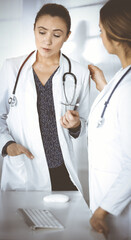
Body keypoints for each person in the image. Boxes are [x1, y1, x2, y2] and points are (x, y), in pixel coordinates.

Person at [0, 3, 90, 191]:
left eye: (56, 35)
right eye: (42, 32)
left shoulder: (79, 72)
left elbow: (85, 122)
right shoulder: (12, 68)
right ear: (33, 30)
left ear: (67, 36)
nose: (47, 41)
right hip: (24, 168)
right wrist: (7, 145)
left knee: (70, 220)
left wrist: (75, 125)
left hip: (61, 169)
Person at [88, 0, 131, 239]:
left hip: (118, 211)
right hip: (109, 201)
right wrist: (104, 86)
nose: (101, 35)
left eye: (101, 30)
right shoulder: (122, 78)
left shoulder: (128, 87)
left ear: (114, 36)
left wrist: (101, 212)